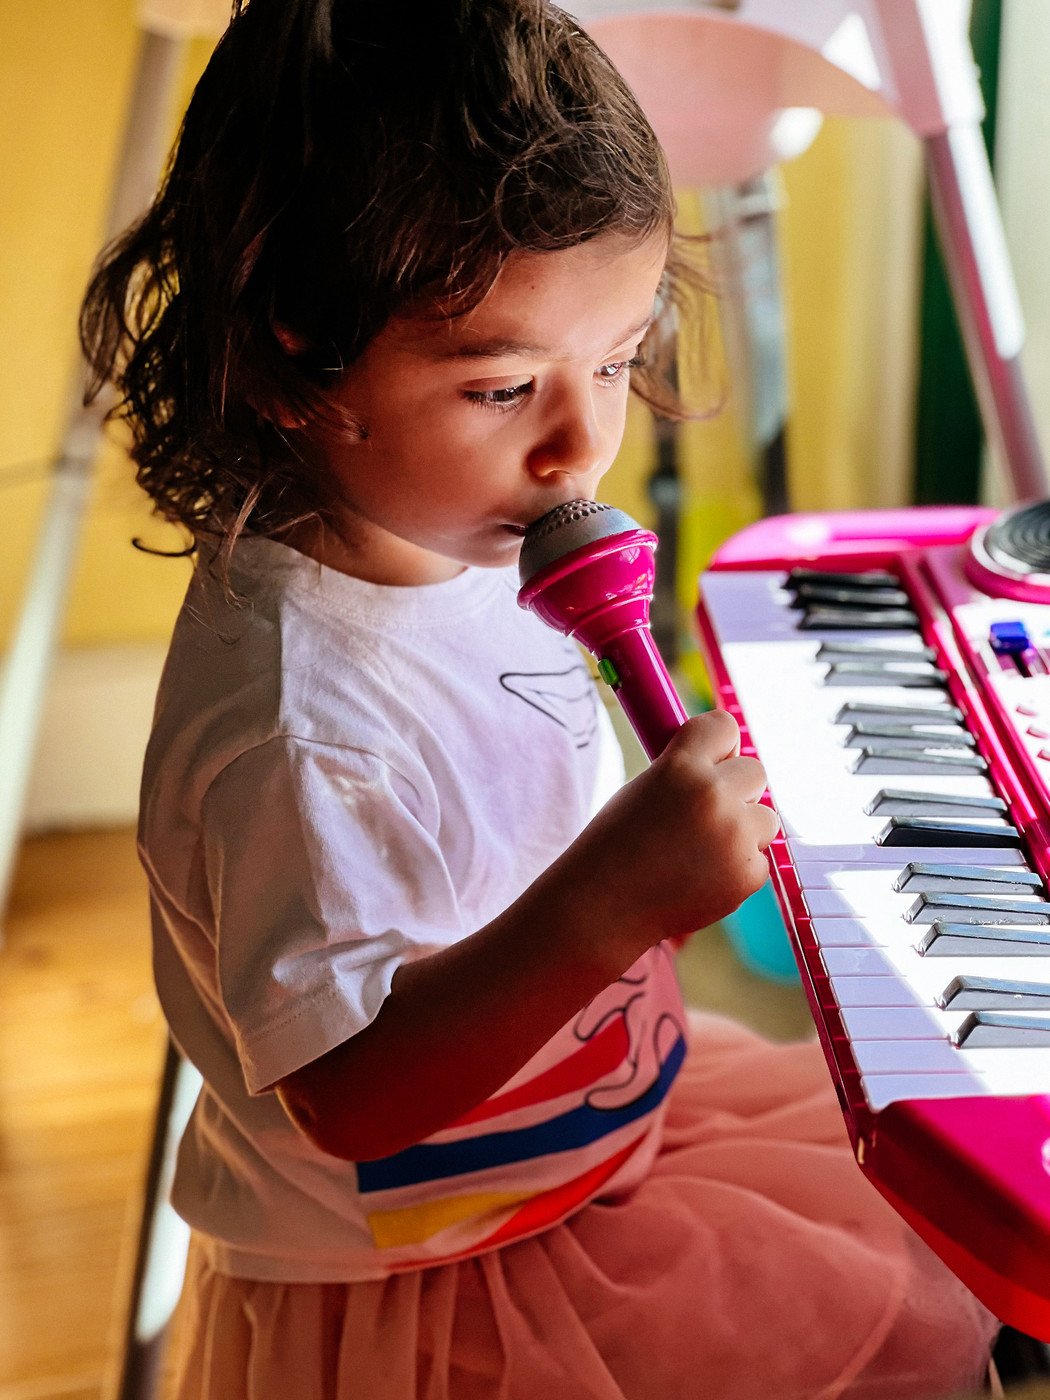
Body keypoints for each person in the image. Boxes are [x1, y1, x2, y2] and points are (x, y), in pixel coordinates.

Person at [80, 1, 998, 1395]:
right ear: (291, 359)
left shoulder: (451, 529)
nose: (581, 443)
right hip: (443, 1279)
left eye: (617, 360)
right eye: (505, 385)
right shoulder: (298, 729)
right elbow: (350, 1095)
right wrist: (610, 900)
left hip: (599, 1143)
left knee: (918, 1190)